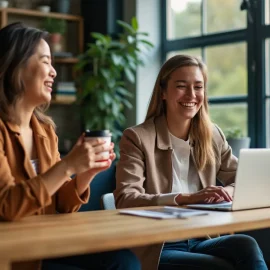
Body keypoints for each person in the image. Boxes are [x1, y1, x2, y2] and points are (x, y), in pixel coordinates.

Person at [0, 22, 141, 270]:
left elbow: (60, 205)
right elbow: (7, 206)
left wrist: (83, 176)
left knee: (123, 261)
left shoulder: (44, 131)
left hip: (45, 245)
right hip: (11, 255)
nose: (54, 72)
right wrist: (67, 165)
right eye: (45, 61)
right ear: (15, 66)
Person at [114, 54, 267, 270]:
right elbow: (126, 199)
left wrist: (224, 192)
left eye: (198, 87)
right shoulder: (137, 138)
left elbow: (241, 181)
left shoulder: (213, 135)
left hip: (202, 236)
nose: (191, 95)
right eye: (181, 86)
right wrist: (188, 198)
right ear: (163, 92)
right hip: (159, 245)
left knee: (247, 245)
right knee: (216, 267)